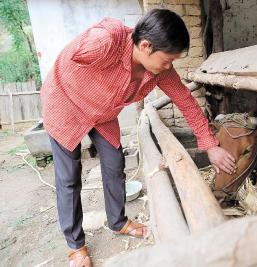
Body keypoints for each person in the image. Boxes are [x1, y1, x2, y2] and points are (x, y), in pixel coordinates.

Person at [40, 8, 236, 267]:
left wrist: (209, 144)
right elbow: (71, 56)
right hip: (66, 106)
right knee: (68, 178)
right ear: (145, 45)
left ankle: (118, 222)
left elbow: (186, 101)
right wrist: (103, 37)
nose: (169, 67)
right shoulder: (106, 42)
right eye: (167, 60)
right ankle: (75, 246)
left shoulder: (160, 72)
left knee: (114, 165)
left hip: (103, 114)